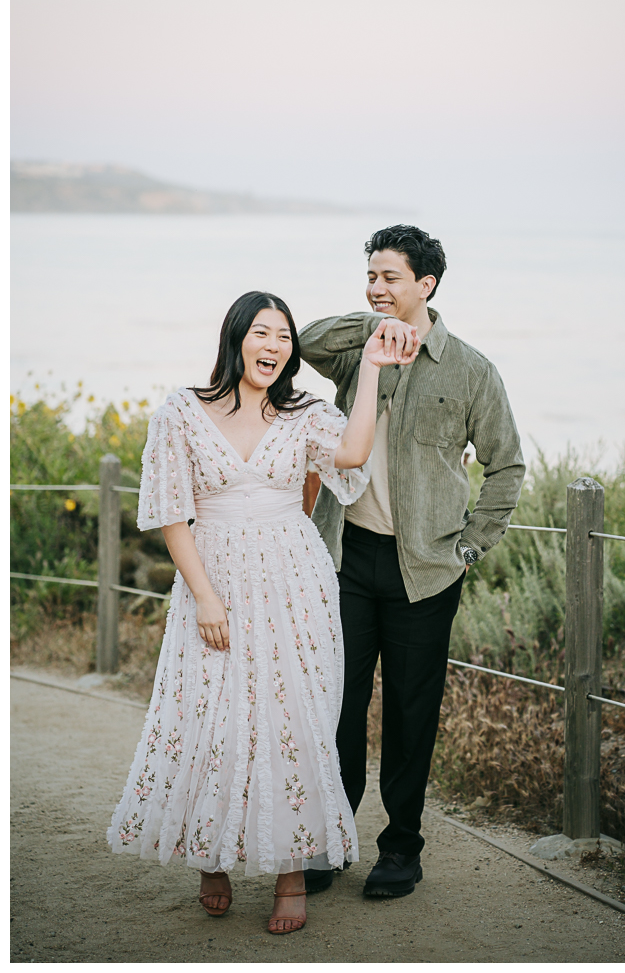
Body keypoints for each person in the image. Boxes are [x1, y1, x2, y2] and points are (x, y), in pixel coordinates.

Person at [107, 290, 418, 934]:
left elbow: (352, 456)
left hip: (295, 580)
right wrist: (206, 597)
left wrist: (370, 372)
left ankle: (292, 874)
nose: (274, 346)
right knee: (210, 716)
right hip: (211, 575)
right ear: (235, 337)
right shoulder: (181, 412)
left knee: (292, 716)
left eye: (283, 337)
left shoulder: (304, 413)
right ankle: (210, 858)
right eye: (261, 333)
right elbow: (171, 513)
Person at [299, 225, 525, 899]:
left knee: (409, 713)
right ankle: (330, 842)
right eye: (371, 275)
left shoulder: (470, 370)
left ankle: (400, 849)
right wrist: (372, 330)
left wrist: (471, 544)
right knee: (335, 709)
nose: (376, 287)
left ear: (426, 284)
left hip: (425, 570)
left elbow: (507, 466)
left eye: (390, 278)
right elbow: (305, 339)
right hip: (346, 559)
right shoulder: (354, 353)